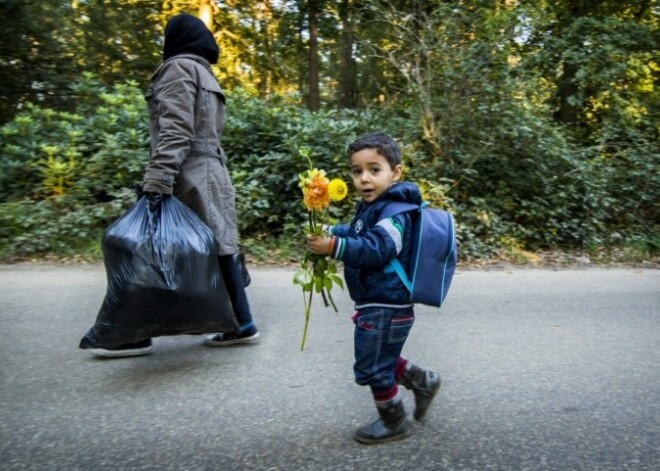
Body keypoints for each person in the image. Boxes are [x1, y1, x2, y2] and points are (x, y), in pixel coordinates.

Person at [90, 13, 258, 358]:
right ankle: (241, 323)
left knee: (148, 246)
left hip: (188, 172)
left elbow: (176, 131)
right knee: (218, 244)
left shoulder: (177, 69)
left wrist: (157, 180)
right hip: (212, 170)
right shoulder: (204, 72)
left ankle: (134, 333)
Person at [306, 132, 441, 444]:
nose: (364, 179)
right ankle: (422, 381)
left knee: (373, 365)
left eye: (374, 169)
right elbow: (357, 232)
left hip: (387, 305)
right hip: (379, 302)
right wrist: (328, 231)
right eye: (357, 171)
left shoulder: (395, 213)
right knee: (379, 357)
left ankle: (394, 421)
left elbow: (378, 248)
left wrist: (333, 247)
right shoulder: (373, 207)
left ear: (395, 173)